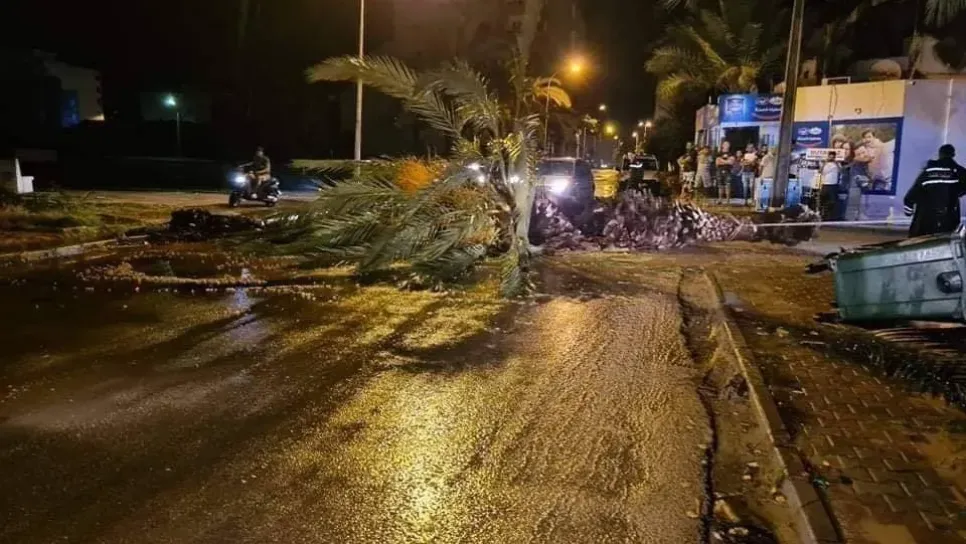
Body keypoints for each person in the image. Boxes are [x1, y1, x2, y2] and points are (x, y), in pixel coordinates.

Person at [903, 144, 966, 237]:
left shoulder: (928, 172)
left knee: (923, 244)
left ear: (940, 154)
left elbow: (911, 195)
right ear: (953, 154)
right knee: (944, 243)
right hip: (949, 221)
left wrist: (908, 211)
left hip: (925, 220)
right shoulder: (959, 172)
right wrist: (958, 193)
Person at [817, 150, 840, 219]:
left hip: (833, 185)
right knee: (822, 199)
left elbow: (841, 171)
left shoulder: (837, 164)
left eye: (833, 157)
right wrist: (825, 163)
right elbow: (820, 171)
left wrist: (836, 163)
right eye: (830, 157)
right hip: (825, 184)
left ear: (834, 157)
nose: (831, 158)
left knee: (832, 201)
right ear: (828, 156)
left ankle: (829, 216)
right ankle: (820, 214)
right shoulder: (824, 163)